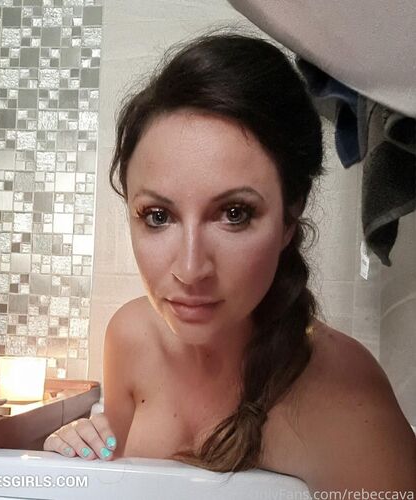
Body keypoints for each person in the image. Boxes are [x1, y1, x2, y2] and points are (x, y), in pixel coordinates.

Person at [44, 32, 416, 492]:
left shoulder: (348, 399)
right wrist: (70, 460)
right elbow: (119, 479)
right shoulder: (130, 337)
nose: (190, 269)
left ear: (290, 216)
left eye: (234, 213)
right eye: (158, 216)